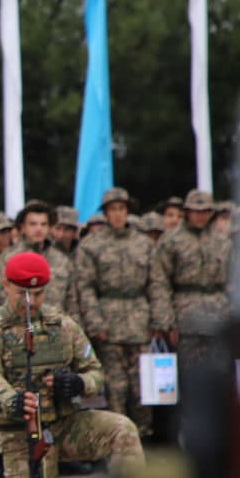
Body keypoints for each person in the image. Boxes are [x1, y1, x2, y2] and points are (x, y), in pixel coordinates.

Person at [0, 253, 144, 478]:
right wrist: (11, 399)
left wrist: (77, 383)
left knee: (122, 430)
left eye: (38, 294)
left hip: (65, 424)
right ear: (5, 286)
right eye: (23, 293)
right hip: (21, 433)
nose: (31, 302)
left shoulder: (62, 325)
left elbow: (95, 372)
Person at [74, 187, 157, 439]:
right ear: (105, 213)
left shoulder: (144, 244)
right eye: (112, 210)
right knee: (115, 386)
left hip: (139, 320)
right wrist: (94, 322)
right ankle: (118, 440)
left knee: (143, 386)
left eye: (121, 209)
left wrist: (158, 318)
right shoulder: (92, 245)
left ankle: (143, 436)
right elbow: (85, 287)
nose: (118, 214)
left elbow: (156, 283)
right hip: (108, 322)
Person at [150, 189, 232, 379]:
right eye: (196, 210)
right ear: (187, 211)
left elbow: (233, 282)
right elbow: (160, 283)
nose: (201, 215)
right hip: (186, 320)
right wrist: (166, 323)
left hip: (218, 318)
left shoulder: (222, 241)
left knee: (220, 379)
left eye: (205, 211)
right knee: (189, 379)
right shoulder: (171, 241)